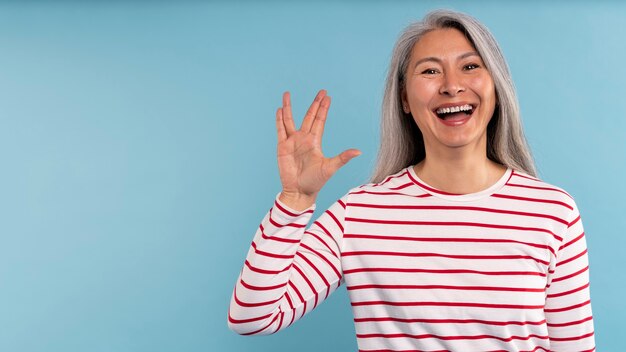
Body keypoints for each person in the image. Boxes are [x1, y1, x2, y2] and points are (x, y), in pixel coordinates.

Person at [227, 9, 595, 351]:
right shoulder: (359, 214)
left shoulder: (553, 212)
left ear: (496, 86)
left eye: (470, 66)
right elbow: (253, 317)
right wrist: (294, 199)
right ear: (404, 97)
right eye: (430, 71)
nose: (452, 85)